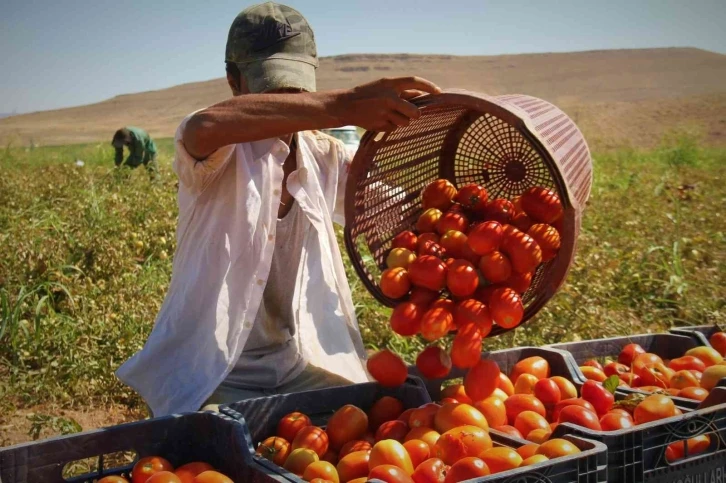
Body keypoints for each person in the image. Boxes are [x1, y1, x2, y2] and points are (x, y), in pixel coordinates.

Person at [115, 1, 440, 417]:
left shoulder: (324, 156)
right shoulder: (215, 152)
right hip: (209, 375)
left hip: (293, 366)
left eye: (296, 88)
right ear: (234, 81)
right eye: (273, 88)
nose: (288, 99)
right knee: (221, 450)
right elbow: (204, 126)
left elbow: (396, 215)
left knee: (378, 419)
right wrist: (344, 105)